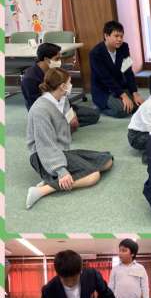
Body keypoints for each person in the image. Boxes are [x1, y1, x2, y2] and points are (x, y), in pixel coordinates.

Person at [26, 68, 113, 209]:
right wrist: (61, 171)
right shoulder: (40, 110)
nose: (71, 85)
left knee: (107, 160)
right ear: (62, 86)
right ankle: (43, 190)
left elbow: (68, 119)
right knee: (93, 175)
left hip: (61, 151)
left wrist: (72, 120)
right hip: (43, 155)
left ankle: (51, 179)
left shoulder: (62, 99)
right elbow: (45, 145)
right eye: (69, 82)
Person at [21, 42, 100, 128]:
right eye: (57, 58)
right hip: (45, 112)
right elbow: (35, 106)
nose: (60, 62)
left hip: (61, 106)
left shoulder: (54, 70)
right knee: (85, 117)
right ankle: (60, 125)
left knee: (94, 115)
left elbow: (63, 97)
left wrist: (70, 112)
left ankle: (63, 124)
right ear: (46, 59)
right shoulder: (30, 79)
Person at [89, 20, 143, 118]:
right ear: (106, 36)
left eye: (121, 36)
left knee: (137, 105)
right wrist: (123, 95)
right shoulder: (96, 53)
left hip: (119, 86)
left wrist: (135, 93)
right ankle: (100, 107)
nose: (120, 39)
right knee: (122, 110)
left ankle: (118, 101)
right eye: (116, 36)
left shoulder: (124, 47)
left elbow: (128, 71)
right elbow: (105, 78)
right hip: (103, 90)